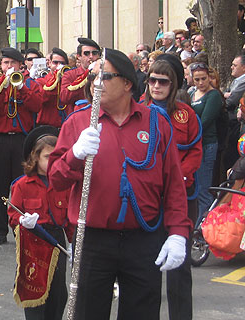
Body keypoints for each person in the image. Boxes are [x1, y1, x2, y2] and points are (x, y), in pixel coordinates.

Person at [48, 48, 190, 319]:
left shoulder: (155, 123)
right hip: (93, 239)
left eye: (104, 76)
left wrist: (178, 234)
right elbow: (55, 178)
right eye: (92, 76)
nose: (96, 83)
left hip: (144, 238)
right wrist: (75, 155)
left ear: (127, 83)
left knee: (142, 313)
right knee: (88, 312)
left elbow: (173, 184)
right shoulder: (78, 122)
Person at [143, 55, 202, 320]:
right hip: (149, 198)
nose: (156, 86)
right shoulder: (137, 111)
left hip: (181, 196)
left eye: (163, 82)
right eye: (152, 80)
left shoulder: (186, 114)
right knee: (147, 265)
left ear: (173, 84)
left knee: (180, 268)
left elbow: (195, 152)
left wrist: (176, 178)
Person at [8, 125, 71, 320]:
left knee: (58, 293)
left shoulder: (64, 184)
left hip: (56, 241)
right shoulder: (22, 185)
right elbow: (12, 215)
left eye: (57, 157)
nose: (52, 162)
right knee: (34, 291)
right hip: (33, 242)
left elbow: (70, 219)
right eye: (47, 157)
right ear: (34, 157)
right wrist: (22, 221)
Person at [0, 47, 43, 245]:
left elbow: (36, 106)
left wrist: (22, 88)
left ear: (20, 65)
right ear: (1, 65)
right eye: (6, 63)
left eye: (12, 63)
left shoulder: (30, 84)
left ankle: (21, 227)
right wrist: (3, 85)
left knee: (22, 184)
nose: (9, 67)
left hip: (21, 140)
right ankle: (0, 230)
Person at [189, 62, 223, 224]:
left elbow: (205, 121)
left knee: (203, 187)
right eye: (197, 79)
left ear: (210, 78)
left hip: (206, 143)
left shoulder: (213, 95)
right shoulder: (191, 93)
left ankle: (204, 226)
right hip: (192, 145)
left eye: (203, 78)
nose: (201, 82)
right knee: (195, 187)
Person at [60, 38, 101, 115]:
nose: (91, 56)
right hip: (78, 116)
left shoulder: (104, 73)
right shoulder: (70, 74)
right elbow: (64, 97)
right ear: (78, 56)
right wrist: (86, 74)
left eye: (95, 53)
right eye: (86, 53)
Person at [35, 48, 69, 128]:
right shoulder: (41, 81)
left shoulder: (69, 81)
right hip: (47, 127)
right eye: (55, 62)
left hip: (66, 126)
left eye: (62, 63)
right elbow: (42, 99)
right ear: (49, 63)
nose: (59, 66)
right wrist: (55, 79)